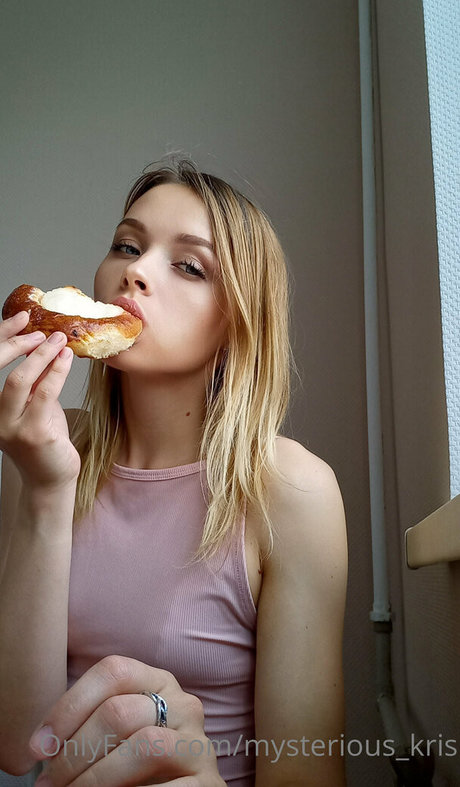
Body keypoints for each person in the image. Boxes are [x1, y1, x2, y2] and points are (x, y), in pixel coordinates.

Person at [0, 158, 348, 786]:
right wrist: (46, 492)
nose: (133, 271)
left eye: (189, 266)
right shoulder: (42, 448)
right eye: (127, 246)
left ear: (237, 323)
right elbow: (20, 745)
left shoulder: (292, 491)